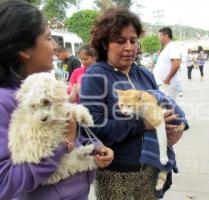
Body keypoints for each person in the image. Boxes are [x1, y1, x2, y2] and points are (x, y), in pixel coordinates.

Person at [0, 1, 113, 199]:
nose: (54, 46)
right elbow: (5, 181)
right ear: (25, 49)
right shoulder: (5, 101)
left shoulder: (45, 88)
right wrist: (65, 143)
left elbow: (62, 129)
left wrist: (93, 147)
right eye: (49, 38)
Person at [80, 7, 187, 200]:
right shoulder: (96, 75)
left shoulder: (144, 74)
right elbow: (93, 126)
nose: (129, 47)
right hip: (116, 175)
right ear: (105, 43)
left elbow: (159, 111)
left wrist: (172, 132)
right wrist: (143, 124)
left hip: (150, 171)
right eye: (120, 41)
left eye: (133, 40)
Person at [153, 27, 182, 99]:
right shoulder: (167, 47)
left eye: (160, 35)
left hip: (167, 85)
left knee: (167, 106)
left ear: (166, 35)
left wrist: (167, 79)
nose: (159, 38)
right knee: (164, 107)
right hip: (163, 85)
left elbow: (176, 63)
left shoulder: (173, 46)